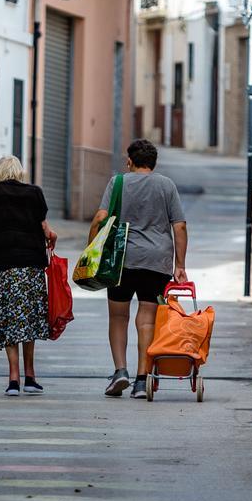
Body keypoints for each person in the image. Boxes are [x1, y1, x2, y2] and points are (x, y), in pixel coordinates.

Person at [88, 139, 187, 399]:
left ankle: (121, 371)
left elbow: (100, 218)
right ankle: (142, 381)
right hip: (157, 261)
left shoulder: (118, 183)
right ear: (154, 163)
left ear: (130, 161)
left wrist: (91, 251)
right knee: (147, 320)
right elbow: (180, 226)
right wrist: (180, 266)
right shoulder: (167, 186)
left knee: (118, 317)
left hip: (122, 260)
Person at [0, 156, 58, 396]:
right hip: (32, 266)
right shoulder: (35, 194)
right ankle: (30, 377)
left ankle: (13, 379)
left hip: (5, 265)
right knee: (28, 319)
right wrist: (52, 238)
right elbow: (47, 231)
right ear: (20, 172)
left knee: (10, 318)